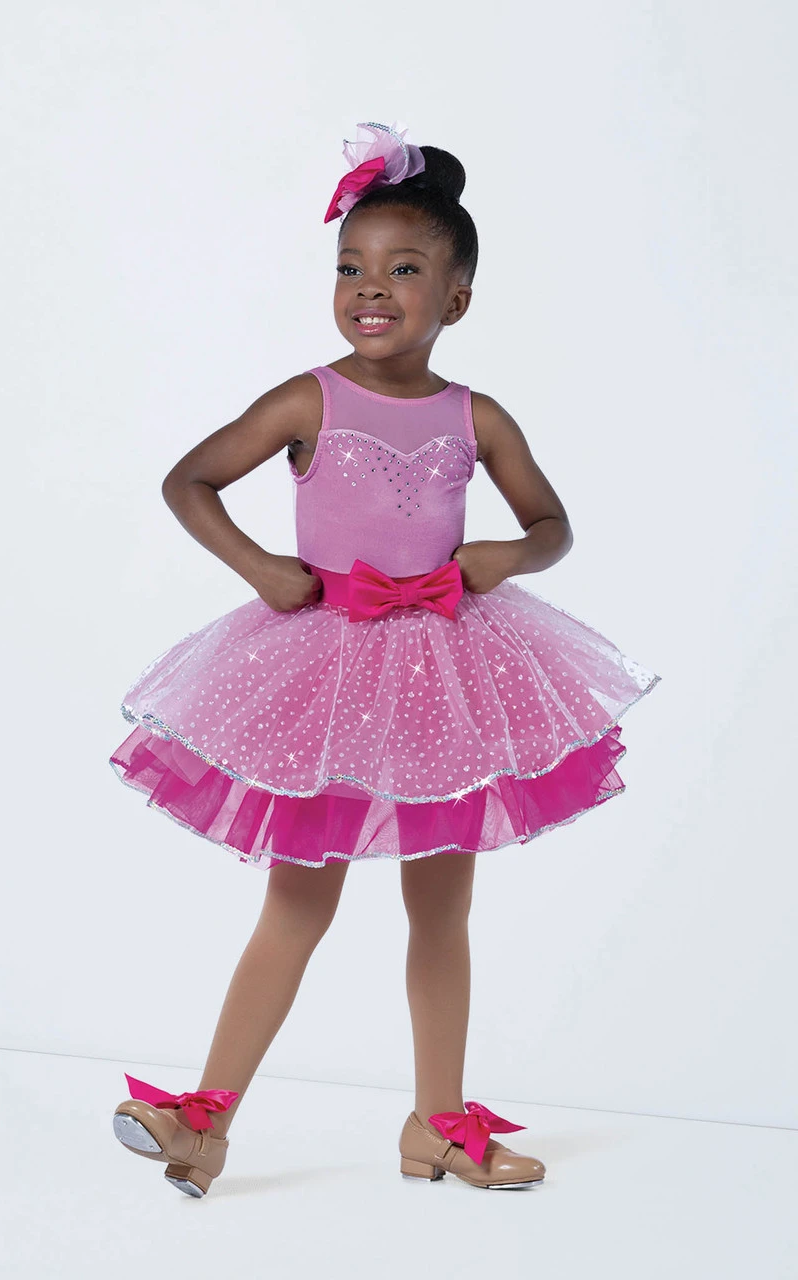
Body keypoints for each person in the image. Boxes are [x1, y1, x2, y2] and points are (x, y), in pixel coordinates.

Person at [108, 121, 661, 1197]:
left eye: (404, 269)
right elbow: (189, 480)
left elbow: (551, 524)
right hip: (322, 679)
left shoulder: (475, 415)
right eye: (350, 267)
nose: (371, 287)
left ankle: (436, 1123)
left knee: (440, 911)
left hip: (447, 678)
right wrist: (260, 567)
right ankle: (203, 1119)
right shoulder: (306, 398)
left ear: (457, 298)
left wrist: (507, 555)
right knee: (296, 906)